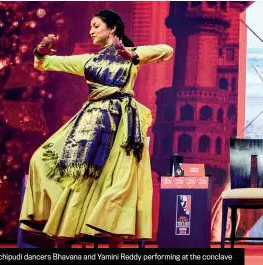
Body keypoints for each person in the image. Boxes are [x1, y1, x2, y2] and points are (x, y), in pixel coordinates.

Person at [19, 9, 173, 247]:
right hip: (91, 123)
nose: (91, 31)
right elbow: (45, 63)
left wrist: (128, 54)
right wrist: (41, 50)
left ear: (112, 29)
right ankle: (66, 226)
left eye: (96, 26)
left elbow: (166, 50)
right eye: (90, 26)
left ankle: (113, 236)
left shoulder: (132, 55)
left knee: (118, 178)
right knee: (49, 162)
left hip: (122, 123)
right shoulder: (88, 61)